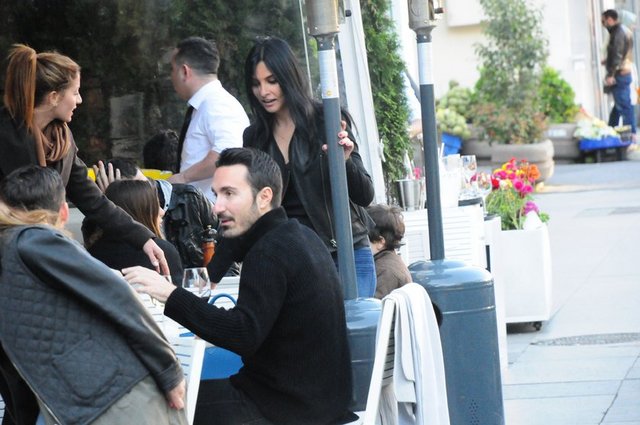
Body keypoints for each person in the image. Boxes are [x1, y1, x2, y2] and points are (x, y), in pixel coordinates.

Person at [123, 148, 354, 425]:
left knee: (154, 404)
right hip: (320, 404)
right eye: (216, 194)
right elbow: (235, 247)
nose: (217, 206)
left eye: (229, 194)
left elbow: (242, 334)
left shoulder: (269, 251)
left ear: (264, 196)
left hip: (283, 409)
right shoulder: (301, 236)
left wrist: (169, 293)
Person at [0, 165, 187, 425]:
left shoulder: (30, 241)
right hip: (81, 402)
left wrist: (169, 372)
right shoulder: (23, 245)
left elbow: (118, 296)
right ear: (64, 212)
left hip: (108, 402)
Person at [0, 44, 169, 274]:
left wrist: (143, 238)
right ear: (53, 97)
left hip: (43, 254)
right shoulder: (5, 135)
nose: (79, 100)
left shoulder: (63, 139)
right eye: (75, 92)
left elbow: (93, 200)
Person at [242, 36, 377, 297]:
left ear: (288, 77)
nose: (264, 92)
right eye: (256, 84)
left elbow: (365, 194)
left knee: (354, 322)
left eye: (272, 81)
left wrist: (345, 161)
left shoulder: (326, 119)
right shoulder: (254, 137)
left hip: (344, 254)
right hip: (292, 261)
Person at [87, 155, 219, 268]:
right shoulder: (98, 222)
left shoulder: (190, 198)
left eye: (147, 185)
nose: (150, 192)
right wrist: (111, 204)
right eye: (137, 194)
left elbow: (225, 245)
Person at [167, 37, 249, 202]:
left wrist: (183, 177)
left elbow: (228, 152)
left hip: (216, 211)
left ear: (184, 71)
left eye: (172, 69)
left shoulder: (217, 103)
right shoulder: (205, 104)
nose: (171, 76)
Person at [88, 179, 184, 285]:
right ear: (143, 211)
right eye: (155, 205)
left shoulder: (91, 253)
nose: (162, 211)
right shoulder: (162, 251)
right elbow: (176, 293)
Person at [602, 9, 637, 139]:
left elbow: (617, 55)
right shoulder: (621, 31)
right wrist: (608, 61)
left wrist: (611, 74)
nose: (603, 24)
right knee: (618, 106)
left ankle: (631, 135)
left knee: (624, 106)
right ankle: (611, 131)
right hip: (622, 72)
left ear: (610, 19)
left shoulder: (618, 33)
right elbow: (619, 54)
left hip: (620, 74)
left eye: (603, 21)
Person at [367, 204, 412, 299]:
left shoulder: (385, 272)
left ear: (380, 242)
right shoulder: (391, 262)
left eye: (365, 240)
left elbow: (373, 305)